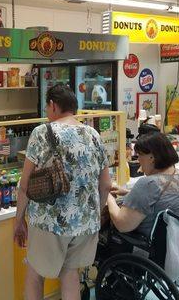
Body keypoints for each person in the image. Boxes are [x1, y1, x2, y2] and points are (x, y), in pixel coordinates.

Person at [14, 83, 112, 300]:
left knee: (34, 274)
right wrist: (96, 213)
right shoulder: (93, 134)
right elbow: (106, 184)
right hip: (86, 223)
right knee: (70, 275)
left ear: (52, 105)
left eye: (48, 108)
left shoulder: (41, 133)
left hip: (49, 222)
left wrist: (19, 220)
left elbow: (24, 184)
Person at [107, 132, 179, 236]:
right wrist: (128, 192)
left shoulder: (148, 184)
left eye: (140, 155)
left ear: (151, 158)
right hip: (178, 243)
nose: (138, 159)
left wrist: (109, 196)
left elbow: (122, 225)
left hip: (145, 246)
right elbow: (161, 198)